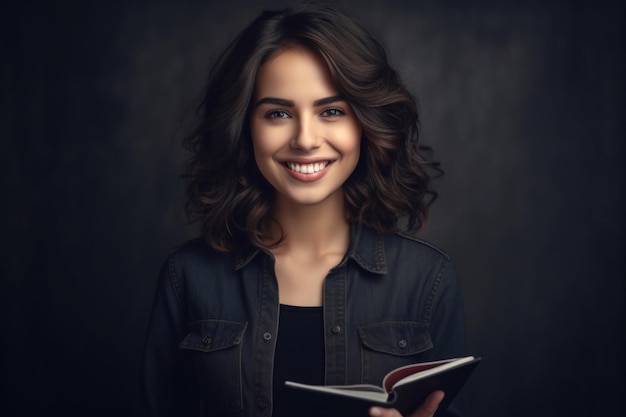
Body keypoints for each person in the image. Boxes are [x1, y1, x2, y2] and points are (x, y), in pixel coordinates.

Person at [141, 2, 468, 417]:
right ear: (245, 127)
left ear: (364, 123)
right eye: (278, 113)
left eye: (331, 111)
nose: (306, 139)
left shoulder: (428, 281)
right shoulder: (188, 276)